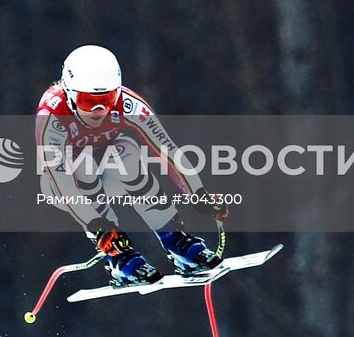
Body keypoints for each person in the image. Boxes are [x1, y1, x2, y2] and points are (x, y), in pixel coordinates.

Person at [34, 45, 228, 286]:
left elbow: (167, 150)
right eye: (87, 102)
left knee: (127, 151)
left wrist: (198, 194)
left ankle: (175, 240)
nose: (99, 111)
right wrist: (97, 227)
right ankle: (117, 257)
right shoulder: (52, 117)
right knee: (81, 162)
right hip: (63, 187)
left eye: (107, 99)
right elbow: (60, 180)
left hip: (109, 173)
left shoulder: (128, 104)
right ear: (70, 94)